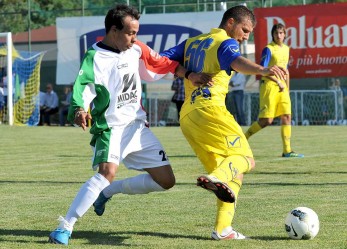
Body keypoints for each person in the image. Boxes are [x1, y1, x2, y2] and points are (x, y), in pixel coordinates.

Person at [48, 4, 211, 245]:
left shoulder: (136, 49)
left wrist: (190, 75)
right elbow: (82, 88)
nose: (135, 38)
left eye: (136, 32)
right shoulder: (95, 58)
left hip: (137, 127)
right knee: (107, 173)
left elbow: (162, 63)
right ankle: (65, 226)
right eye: (130, 32)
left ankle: (109, 192)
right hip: (110, 128)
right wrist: (79, 109)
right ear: (114, 30)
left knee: (166, 181)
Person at [159, 5, 286, 240]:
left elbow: (162, 60)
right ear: (230, 22)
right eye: (244, 30)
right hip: (211, 110)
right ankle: (216, 177)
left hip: (188, 116)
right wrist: (264, 70)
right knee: (246, 160)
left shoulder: (191, 42)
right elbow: (237, 61)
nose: (245, 36)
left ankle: (222, 230)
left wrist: (188, 74)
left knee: (232, 176)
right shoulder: (225, 42)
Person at [244, 23, 304, 158]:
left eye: (281, 33)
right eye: (276, 33)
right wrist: (277, 81)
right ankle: (244, 138)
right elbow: (262, 71)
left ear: (285, 34)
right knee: (266, 121)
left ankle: (287, 151)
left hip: (283, 88)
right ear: (272, 34)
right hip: (269, 86)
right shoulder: (268, 49)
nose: (279, 35)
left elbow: (286, 70)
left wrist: (287, 87)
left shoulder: (286, 49)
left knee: (287, 117)